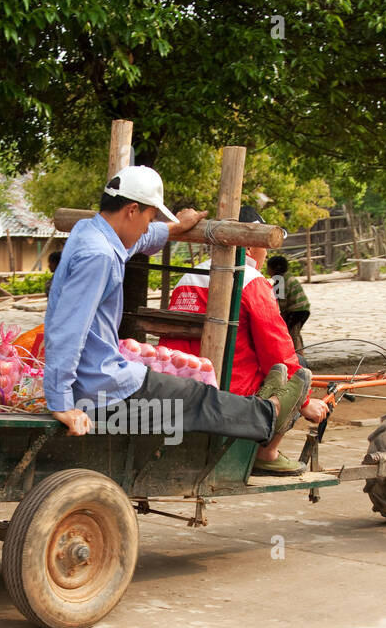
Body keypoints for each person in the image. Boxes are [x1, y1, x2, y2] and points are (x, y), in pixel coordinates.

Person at [44, 166, 310, 447]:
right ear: (132, 210)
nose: (148, 227)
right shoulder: (99, 256)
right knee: (198, 397)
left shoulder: (91, 232)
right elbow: (68, 330)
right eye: (149, 218)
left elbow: (142, 239)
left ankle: (264, 414)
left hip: (98, 377)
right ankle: (270, 414)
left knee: (190, 392)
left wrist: (175, 227)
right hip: (103, 387)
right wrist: (61, 401)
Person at [160, 207, 327, 475]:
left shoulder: (188, 278)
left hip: (180, 380)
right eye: (264, 247)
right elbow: (277, 349)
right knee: (298, 369)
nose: (266, 254)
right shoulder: (252, 280)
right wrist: (306, 403)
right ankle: (266, 452)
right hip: (230, 387)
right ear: (249, 248)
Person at [266, 254, 311, 353]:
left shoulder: (279, 280)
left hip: (296, 310)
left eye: (268, 267)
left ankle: (297, 355)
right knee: (294, 332)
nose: (267, 270)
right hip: (303, 309)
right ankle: (299, 353)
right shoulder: (287, 276)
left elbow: (281, 304)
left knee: (291, 334)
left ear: (275, 268)